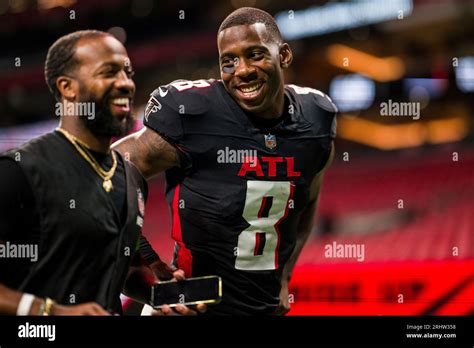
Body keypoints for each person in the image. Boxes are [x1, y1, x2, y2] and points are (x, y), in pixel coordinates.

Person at [113, 7, 337, 315]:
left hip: (263, 308)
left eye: (255, 54)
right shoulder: (193, 113)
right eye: (228, 61)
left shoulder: (315, 118)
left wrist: (285, 277)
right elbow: (108, 169)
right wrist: (138, 257)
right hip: (189, 305)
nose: (241, 70)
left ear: (283, 55)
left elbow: (307, 201)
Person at [0, 30, 204, 316]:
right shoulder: (19, 171)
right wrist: (51, 311)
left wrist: (158, 292)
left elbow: (122, 269)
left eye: (127, 72)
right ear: (67, 87)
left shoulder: (131, 178)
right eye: (109, 73)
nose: (125, 83)